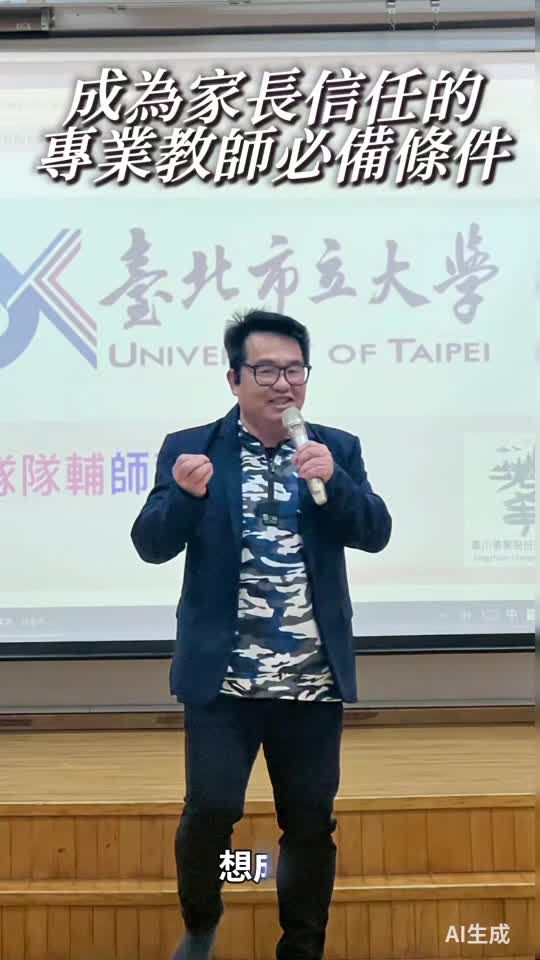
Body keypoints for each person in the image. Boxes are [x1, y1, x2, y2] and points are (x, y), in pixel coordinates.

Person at [131, 308, 392, 960]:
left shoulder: (335, 448)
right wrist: (184, 497)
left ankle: (301, 948)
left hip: (312, 678)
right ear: (234, 378)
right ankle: (201, 924)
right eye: (267, 371)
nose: (283, 384)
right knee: (210, 813)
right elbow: (151, 543)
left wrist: (337, 482)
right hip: (223, 679)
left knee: (309, 824)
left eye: (294, 370)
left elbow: (375, 531)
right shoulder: (193, 448)